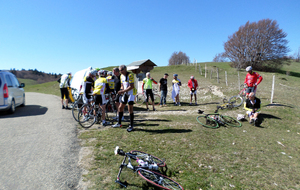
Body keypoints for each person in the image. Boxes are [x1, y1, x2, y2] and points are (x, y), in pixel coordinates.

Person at [112, 65, 135, 132]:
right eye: (119, 70)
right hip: (125, 93)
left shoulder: (130, 75)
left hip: (131, 93)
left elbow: (131, 86)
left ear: (125, 69)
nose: (120, 71)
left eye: (121, 70)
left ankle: (131, 126)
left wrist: (123, 91)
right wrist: (121, 90)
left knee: (130, 109)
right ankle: (119, 123)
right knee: (120, 108)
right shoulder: (121, 76)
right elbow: (122, 85)